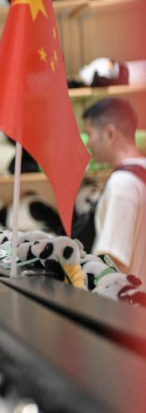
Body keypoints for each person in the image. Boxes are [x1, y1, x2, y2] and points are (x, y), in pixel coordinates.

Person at [82, 97, 146, 281]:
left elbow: (113, 264)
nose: (88, 143)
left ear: (110, 133)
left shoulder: (121, 185)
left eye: (90, 134)